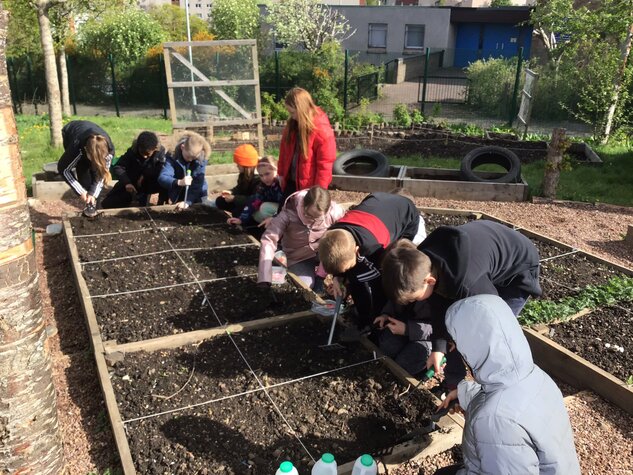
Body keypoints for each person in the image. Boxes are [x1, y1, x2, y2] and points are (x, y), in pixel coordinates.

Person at [381, 219, 542, 388]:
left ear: (430, 280)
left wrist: (458, 382)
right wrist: (438, 348)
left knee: (494, 335)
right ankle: (457, 384)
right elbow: (439, 312)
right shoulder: (423, 261)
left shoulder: (470, 287)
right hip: (485, 250)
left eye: (414, 298)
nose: (414, 302)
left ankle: (498, 386)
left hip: (518, 270)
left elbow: (483, 326)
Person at [434, 294, 580, 475]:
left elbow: (499, 416)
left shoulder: (494, 421)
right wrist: (463, 393)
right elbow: (507, 401)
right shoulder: (535, 376)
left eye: (457, 343)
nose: (455, 349)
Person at [317, 192, 427, 331]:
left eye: (345, 268)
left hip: (405, 215)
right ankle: (363, 317)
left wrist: (377, 312)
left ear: (357, 250)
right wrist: (338, 278)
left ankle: (380, 319)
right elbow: (340, 264)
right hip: (374, 201)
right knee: (355, 276)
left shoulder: (375, 246)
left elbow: (377, 277)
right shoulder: (331, 236)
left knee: (386, 276)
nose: (345, 272)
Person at [258, 186, 344, 289]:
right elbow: (269, 240)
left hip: (324, 251)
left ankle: (321, 278)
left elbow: (345, 236)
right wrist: (264, 277)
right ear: (303, 205)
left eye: (317, 217)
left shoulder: (335, 213)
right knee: (305, 286)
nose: (312, 220)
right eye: (309, 215)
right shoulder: (288, 213)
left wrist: (338, 277)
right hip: (299, 256)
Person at [277, 87, 336, 201]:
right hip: (291, 182)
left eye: (293, 112)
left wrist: (319, 192)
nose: (292, 116)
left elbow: (325, 165)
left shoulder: (321, 130)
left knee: (303, 217)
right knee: (284, 214)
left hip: (308, 187)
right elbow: (283, 153)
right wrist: (281, 173)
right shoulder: (292, 126)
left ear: (301, 109)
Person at [57, 120, 115, 215]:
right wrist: (81, 192)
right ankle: (88, 204)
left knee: (96, 174)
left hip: (89, 131)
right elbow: (64, 169)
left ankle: (94, 205)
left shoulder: (109, 151)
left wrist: (93, 194)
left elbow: (101, 175)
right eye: (92, 159)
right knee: (83, 171)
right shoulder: (76, 148)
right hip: (71, 131)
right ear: (86, 151)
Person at [102, 131, 168, 209]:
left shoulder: (160, 152)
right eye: (142, 153)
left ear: (154, 149)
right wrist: (127, 183)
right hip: (133, 183)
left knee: (165, 181)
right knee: (108, 204)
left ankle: (160, 203)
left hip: (152, 181)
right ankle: (133, 198)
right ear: (138, 147)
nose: (145, 157)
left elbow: (163, 168)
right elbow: (119, 167)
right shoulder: (132, 151)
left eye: (148, 154)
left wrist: (145, 174)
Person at [373, 299, 435, 377]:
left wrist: (409, 329)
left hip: (429, 337)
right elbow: (394, 298)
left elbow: (440, 330)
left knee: (407, 360)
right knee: (388, 346)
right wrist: (386, 315)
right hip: (402, 323)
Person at [158, 131, 210, 210]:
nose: (190, 160)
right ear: (182, 147)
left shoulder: (201, 159)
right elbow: (163, 177)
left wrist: (187, 201)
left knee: (200, 210)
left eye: (193, 158)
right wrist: (179, 182)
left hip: (197, 191)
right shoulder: (172, 156)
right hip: (178, 190)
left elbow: (197, 183)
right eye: (188, 156)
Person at [227, 156, 283, 227]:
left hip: (289, 212)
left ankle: (279, 229)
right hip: (277, 211)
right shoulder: (262, 186)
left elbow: (288, 206)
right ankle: (266, 227)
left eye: (267, 174)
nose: (264, 178)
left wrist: (274, 217)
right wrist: (241, 219)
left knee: (265, 207)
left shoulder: (282, 184)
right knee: (255, 213)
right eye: (261, 175)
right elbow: (254, 200)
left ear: (277, 170)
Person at [215, 144, 260, 216]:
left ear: (245, 165)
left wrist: (234, 198)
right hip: (242, 201)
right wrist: (231, 192)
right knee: (220, 200)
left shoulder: (258, 179)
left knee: (237, 212)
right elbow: (239, 189)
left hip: (254, 205)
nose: (237, 166)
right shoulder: (243, 175)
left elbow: (254, 199)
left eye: (238, 164)